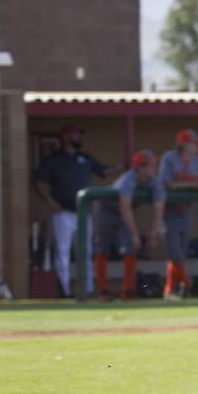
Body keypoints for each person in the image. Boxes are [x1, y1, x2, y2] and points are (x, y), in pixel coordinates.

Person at [33, 124, 114, 297]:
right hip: (63, 213)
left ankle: (89, 289)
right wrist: (49, 200)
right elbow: (39, 181)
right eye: (76, 134)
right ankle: (65, 290)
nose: (79, 138)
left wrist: (126, 164)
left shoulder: (85, 158)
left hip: (83, 213)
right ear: (66, 137)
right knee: (62, 252)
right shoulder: (54, 159)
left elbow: (104, 171)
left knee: (86, 252)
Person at [94, 149, 165, 301]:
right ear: (140, 168)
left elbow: (158, 208)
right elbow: (125, 208)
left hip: (124, 214)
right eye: (150, 165)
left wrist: (152, 236)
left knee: (132, 248)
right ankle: (102, 291)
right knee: (102, 248)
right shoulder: (128, 179)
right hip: (106, 209)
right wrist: (135, 234)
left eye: (154, 165)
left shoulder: (155, 181)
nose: (154, 168)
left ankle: (128, 291)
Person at [159, 129, 198, 300]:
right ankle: (186, 283)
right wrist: (190, 184)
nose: (196, 146)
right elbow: (166, 183)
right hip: (168, 211)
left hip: (185, 211)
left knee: (180, 253)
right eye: (193, 143)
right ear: (183, 145)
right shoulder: (169, 158)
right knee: (175, 253)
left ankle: (169, 291)